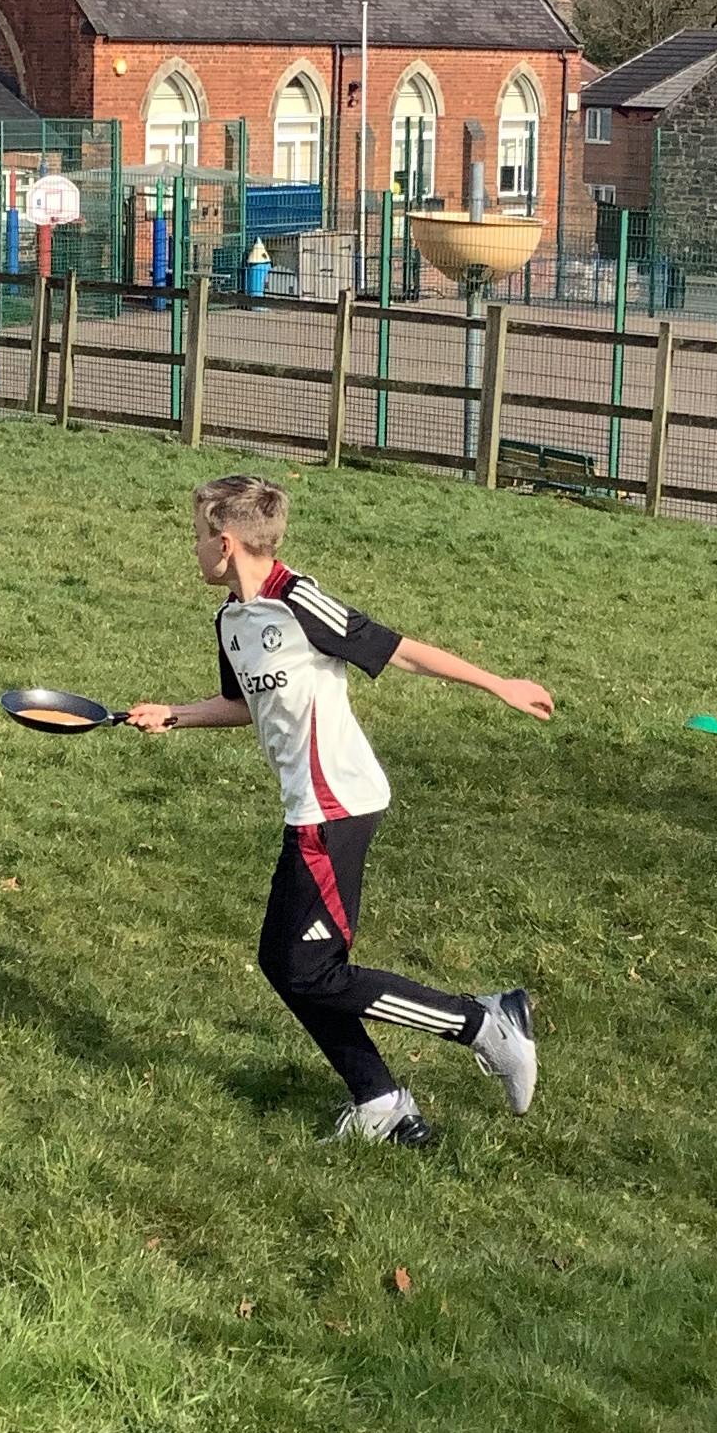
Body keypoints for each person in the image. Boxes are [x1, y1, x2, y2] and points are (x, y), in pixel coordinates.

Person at [128, 473, 554, 1146]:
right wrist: (175, 714)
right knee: (285, 963)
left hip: (337, 806)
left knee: (311, 971)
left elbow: (398, 651)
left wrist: (497, 683)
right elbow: (243, 705)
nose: (195, 549)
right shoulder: (233, 620)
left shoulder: (300, 603)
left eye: (198, 536)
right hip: (308, 808)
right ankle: (381, 1101)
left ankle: (483, 1024)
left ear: (226, 542)